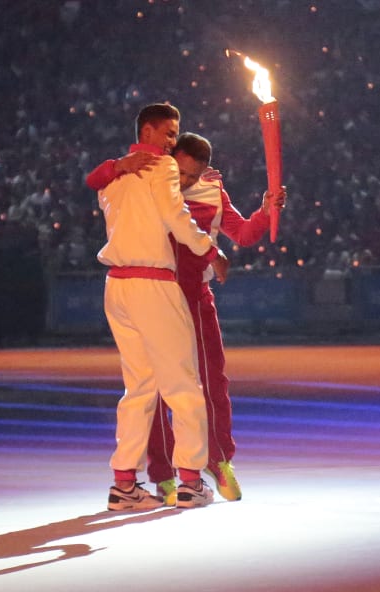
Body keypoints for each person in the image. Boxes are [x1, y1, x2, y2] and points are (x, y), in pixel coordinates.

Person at [87, 131, 286, 503]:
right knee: (156, 388)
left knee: (211, 383)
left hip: (194, 296)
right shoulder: (146, 179)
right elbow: (97, 181)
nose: (187, 182)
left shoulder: (211, 189)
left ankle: (218, 462)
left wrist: (265, 211)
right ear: (167, 156)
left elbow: (241, 233)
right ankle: (164, 474)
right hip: (156, 291)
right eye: (182, 172)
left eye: (194, 176)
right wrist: (117, 166)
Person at [95, 103, 228, 511]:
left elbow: (101, 186)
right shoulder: (163, 167)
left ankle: (124, 484)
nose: (173, 143)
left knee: (139, 388)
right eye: (169, 134)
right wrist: (210, 251)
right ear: (149, 132)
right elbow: (176, 214)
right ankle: (190, 481)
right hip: (154, 284)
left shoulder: (115, 175)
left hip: (117, 285)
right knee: (184, 385)